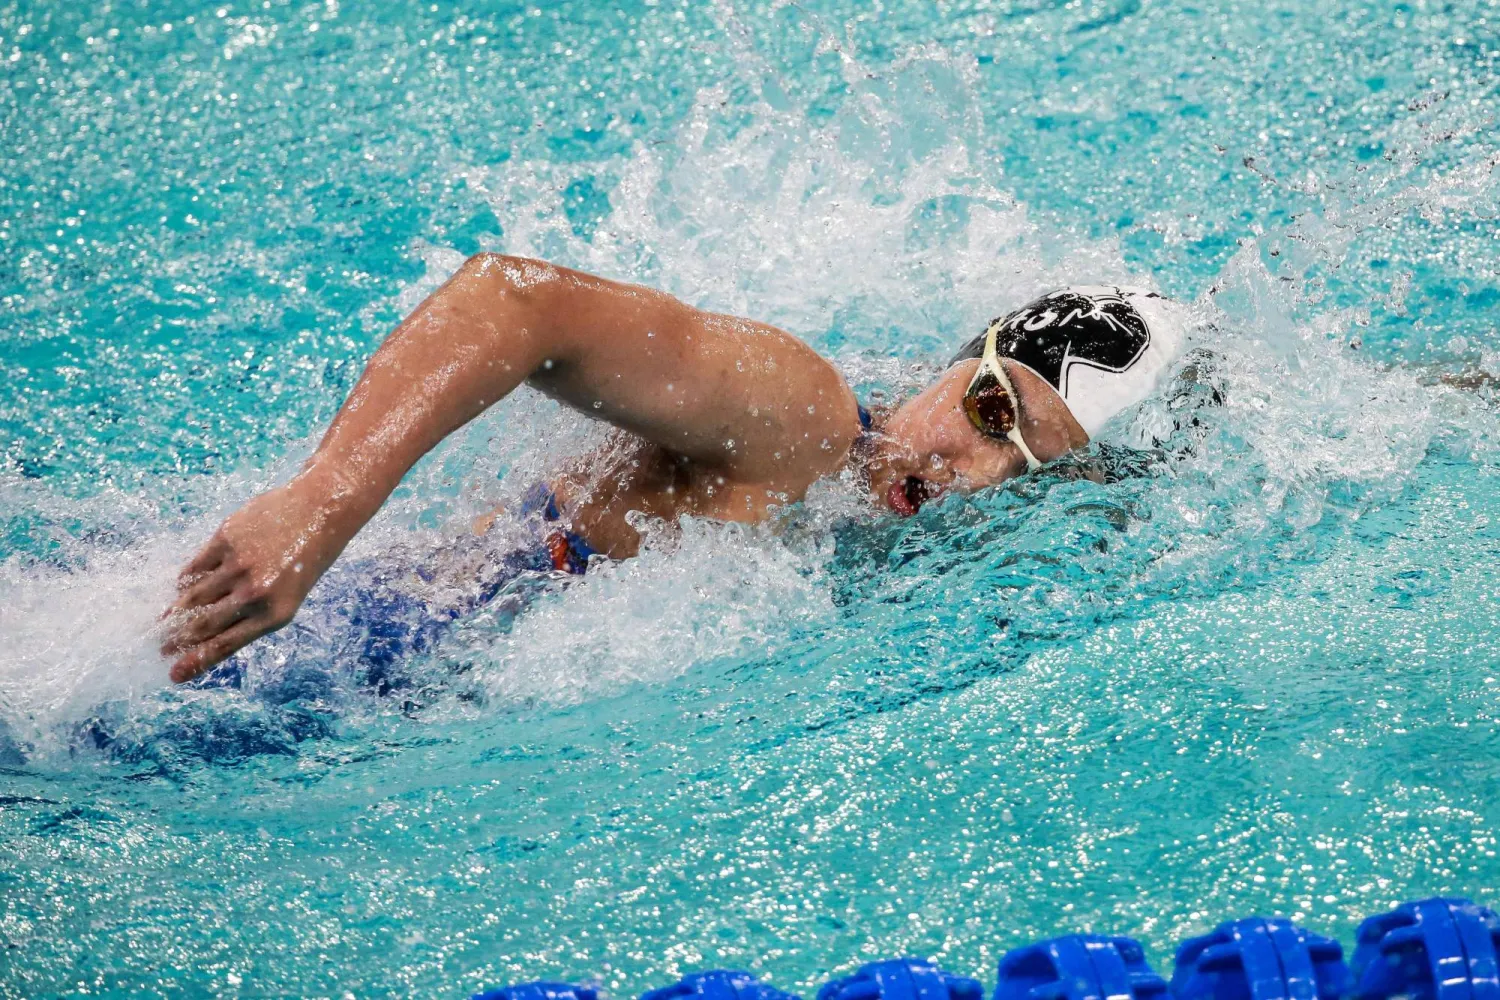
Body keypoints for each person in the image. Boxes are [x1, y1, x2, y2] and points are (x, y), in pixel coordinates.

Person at [160, 256, 1186, 682]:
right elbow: (516, 300)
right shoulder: (806, 418)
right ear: (968, 354)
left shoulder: (884, 543)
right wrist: (323, 499)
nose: (975, 475)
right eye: (992, 410)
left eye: (1029, 473)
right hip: (296, 638)